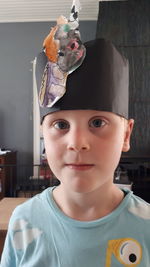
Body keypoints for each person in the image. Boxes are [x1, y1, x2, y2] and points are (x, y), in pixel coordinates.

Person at [1, 4, 150, 267]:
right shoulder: (23, 221)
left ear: (126, 134)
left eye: (97, 122)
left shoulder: (146, 226)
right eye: (60, 125)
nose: (77, 143)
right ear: (43, 135)